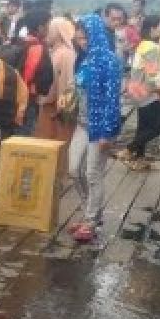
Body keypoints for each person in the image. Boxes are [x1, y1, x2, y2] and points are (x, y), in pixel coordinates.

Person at [66, 14, 123, 243]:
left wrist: (107, 133)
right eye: (79, 40)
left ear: (96, 36)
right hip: (81, 122)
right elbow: (77, 87)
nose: (82, 43)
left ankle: (90, 220)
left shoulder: (110, 61)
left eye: (85, 39)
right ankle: (90, 210)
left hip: (100, 127)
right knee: (73, 169)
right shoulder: (85, 59)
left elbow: (112, 100)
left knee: (92, 173)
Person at [121, 15, 160, 170]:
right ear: (153, 28)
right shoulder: (151, 48)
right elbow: (153, 75)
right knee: (157, 127)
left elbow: (150, 65)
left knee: (143, 127)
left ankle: (138, 159)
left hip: (138, 91)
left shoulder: (144, 45)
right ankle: (128, 150)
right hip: (149, 93)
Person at [36, 16, 78, 145]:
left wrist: (62, 109)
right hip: (48, 106)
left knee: (56, 144)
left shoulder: (65, 54)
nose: (47, 33)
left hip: (57, 111)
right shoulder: (55, 51)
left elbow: (67, 84)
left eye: (51, 30)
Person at [15, 9, 53, 135]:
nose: (49, 30)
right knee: (23, 139)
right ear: (40, 27)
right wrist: (22, 107)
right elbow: (27, 77)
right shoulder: (36, 48)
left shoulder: (19, 41)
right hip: (26, 101)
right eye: (48, 26)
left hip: (13, 98)